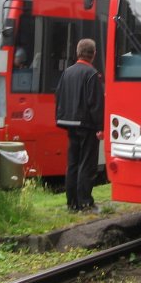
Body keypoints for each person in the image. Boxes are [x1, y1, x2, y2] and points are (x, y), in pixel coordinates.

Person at [54, 38, 104, 211]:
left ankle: (71, 202)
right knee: (87, 164)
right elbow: (95, 103)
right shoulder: (92, 74)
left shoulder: (67, 72)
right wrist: (100, 127)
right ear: (94, 54)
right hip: (87, 125)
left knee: (73, 163)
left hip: (69, 122)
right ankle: (85, 202)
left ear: (77, 52)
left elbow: (59, 95)